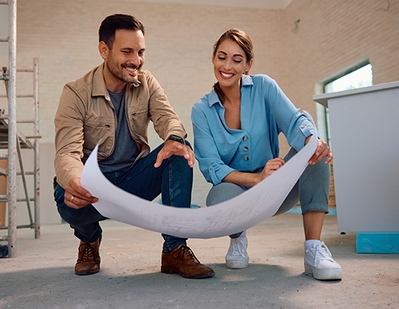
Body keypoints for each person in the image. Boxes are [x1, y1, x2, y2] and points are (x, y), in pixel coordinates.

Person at [53, 14, 214, 279]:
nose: (136, 60)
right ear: (104, 50)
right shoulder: (75, 92)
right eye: (127, 51)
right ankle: (89, 240)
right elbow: (67, 152)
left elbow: (167, 118)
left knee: (178, 149)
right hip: (93, 185)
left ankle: (174, 249)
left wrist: (173, 137)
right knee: (66, 195)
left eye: (140, 52)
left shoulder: (147, 82)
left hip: (132, 180)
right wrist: (74, 180)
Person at [191, 28, 342, 281]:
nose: (227, 66)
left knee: (312, 150)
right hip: (239, 193)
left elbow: (295, 121)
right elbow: (212, 167)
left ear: (248, 64)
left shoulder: (264, 87)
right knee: (218, 197)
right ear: (213, 59)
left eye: (237, 60)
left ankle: (313, 250)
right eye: (222, 57)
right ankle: (238, 238)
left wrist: (311, 140)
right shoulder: (201, 110)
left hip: (277, 189)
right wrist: (257, 178)